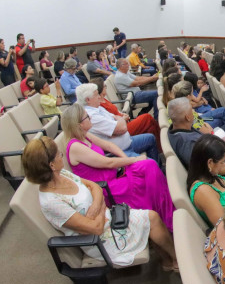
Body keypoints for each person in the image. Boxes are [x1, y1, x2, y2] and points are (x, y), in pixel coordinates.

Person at [21, 137, 177, 270]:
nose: (62, 156)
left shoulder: (61, 174)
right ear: (51, 165)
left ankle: (168, 260)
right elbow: (95, 229)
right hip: (100, 241)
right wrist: (101, 205)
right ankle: (176, 260)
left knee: (150, 217)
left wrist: (97, 204)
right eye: (59, 155)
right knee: (152, 218)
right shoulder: (52, 202)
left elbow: (94, 186)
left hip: (105, 219)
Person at [60, 104, 175, 234]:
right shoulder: (75, 146)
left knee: (149, 165)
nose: (90, 117)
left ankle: (167, 211)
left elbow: (109, 146)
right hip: (108, 188)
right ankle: (167, 218)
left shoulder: (85, 135)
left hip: (115, 176)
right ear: (79, 124)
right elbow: (107, 163)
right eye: (87, 117)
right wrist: (134, 160)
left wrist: (126, 158)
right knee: (148, 168)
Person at [75, 83, 158, 162]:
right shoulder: (91, 116)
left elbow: (117, 121)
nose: (99, 97)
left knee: (150, 138)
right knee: (150, 163)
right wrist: (119, 121)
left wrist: (117, 124)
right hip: (118, 152)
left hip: (127, 141)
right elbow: (122, 128)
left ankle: (160, 168)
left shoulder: (97, 107)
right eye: (96, 95)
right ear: (88, 100)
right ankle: (155, 172)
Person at [91, 78, 161, 151]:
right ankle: (161, 141)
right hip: (123, 128)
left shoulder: (104, 99)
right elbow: (112, 120)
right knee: (147, 117)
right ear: (101, 89)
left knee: (151, 127)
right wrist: (123, 118)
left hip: (124, 121)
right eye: (105, 86)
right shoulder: (99, 105)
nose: (106, 88)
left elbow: (115, 112)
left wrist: (122, 114)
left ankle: (159, 147)